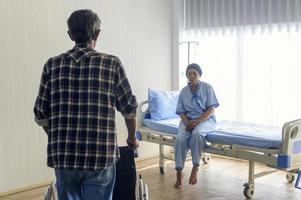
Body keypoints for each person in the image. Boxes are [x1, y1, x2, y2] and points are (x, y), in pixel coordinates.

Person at [33, 9, 138, 200]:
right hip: (100, 154)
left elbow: (41, 114)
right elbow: (129, 109)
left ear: (70, 35)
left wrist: (57, 134)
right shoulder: (111, 64)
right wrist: (131, 138)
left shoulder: (52, 65)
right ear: (97, 33)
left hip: (64, 155)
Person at [174, 63, 219, 189]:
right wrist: (187, 122)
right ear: (187, 76)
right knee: (179, 140)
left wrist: (197, 121)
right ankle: (179, 173)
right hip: (187, 121)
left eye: (195, 73)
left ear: (199, 75)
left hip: (205, 120)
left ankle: (195, 168)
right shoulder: (184, 91)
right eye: (189, 73)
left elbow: (211, 110)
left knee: (197, 134)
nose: (192, 75)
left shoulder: (207, 87)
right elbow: (181, 111)